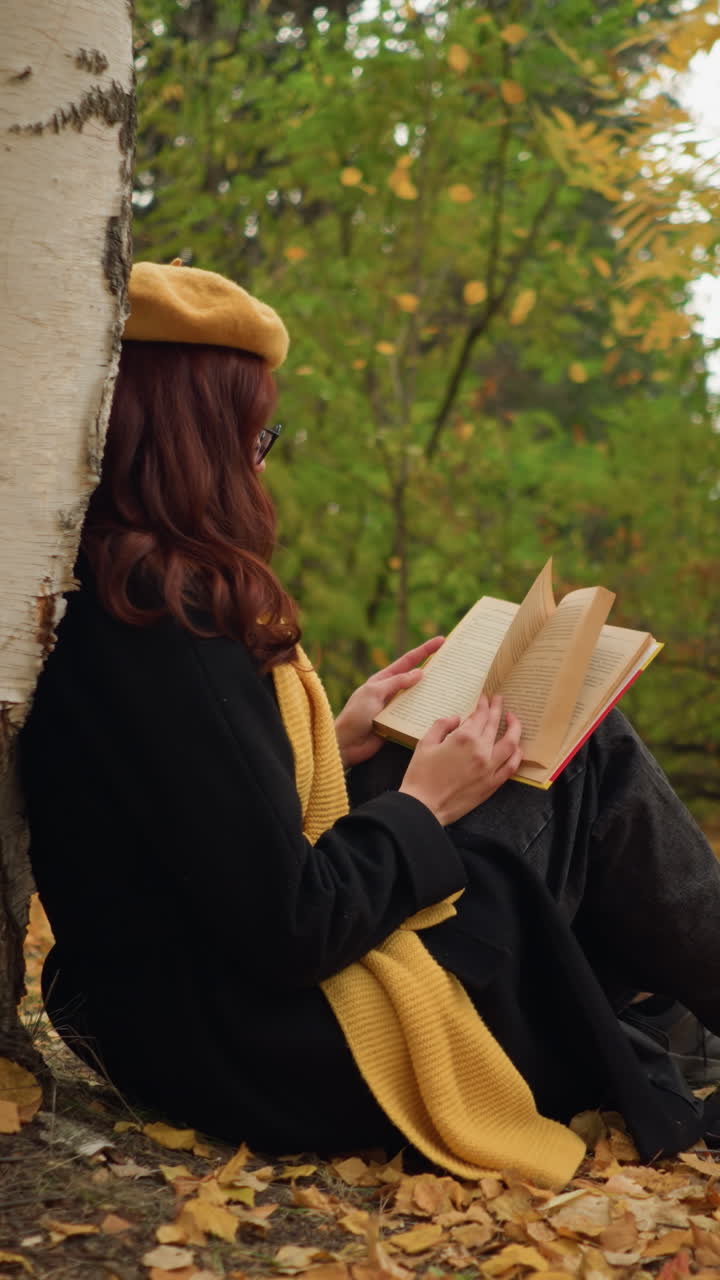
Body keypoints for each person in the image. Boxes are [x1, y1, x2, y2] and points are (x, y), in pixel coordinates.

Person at [19, 261, 720, 1188]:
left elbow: (204, 835)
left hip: (191, 1013)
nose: (260, 457)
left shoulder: (109, 590)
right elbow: (291, 924)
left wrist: (335, 743)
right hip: (272, 1047)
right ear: (193, 436)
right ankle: (656, 1022)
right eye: (253, 431)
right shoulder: (161, 619)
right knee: (591, 757)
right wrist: (424, 802)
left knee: (554, 755)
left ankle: (657, 1025)